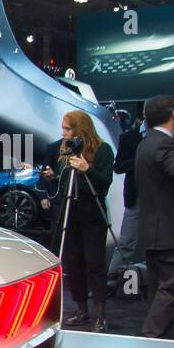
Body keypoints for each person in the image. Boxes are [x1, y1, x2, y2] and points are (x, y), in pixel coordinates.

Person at [41, 110, 113, 331]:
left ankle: (101, 315)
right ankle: (81, 310)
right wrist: (53, 178)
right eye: (63, 128)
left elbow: (104, 184)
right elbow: (63, 184)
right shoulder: (64, 150)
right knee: (73, 264)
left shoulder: (103, 150)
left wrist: (87, 169)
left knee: (95, 264)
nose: (63, 133)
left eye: (68, 128)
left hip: (92, 214)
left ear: (80, 129)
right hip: (69, 212)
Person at [136, 93, 174, 339]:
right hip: (170, 234)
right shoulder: (165, 145)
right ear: (173, 115)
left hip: (154, 233)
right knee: (171, 292)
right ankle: (149, 339)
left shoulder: (147, 142)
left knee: (160, 293)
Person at [108, 110, 145, 280]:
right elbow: (118, 167)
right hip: (136, 196)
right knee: (127, 241)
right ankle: (112, 279)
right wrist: (140, 159)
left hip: (164, 198)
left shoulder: (173, 136)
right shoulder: (129, 137)